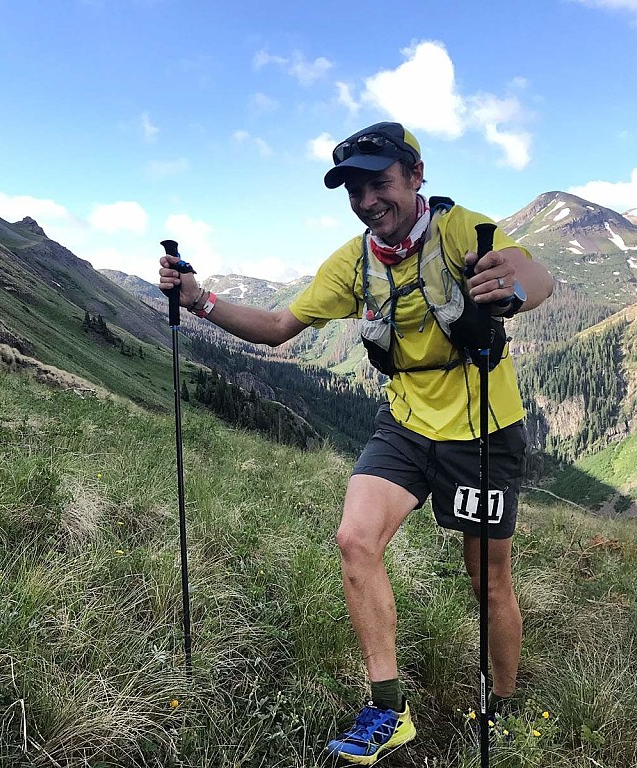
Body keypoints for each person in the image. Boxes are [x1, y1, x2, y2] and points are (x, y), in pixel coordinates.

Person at [159, 121, 553, 764]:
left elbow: (535, 276)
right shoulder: (353, 262)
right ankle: (388, 709)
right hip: (405, 424)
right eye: (354, 190)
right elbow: (278, 325)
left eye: (380, 184)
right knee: (355, 540)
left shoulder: (463, 231)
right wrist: (198, 299)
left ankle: (502, 705)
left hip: (483, 428)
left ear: (415, 177)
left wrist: (515, 287)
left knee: (487, 581)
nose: (367, 201)